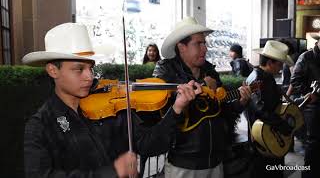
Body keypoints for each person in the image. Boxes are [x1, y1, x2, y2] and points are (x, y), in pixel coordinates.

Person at [23, 23, 202, 178]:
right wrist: (112, 172)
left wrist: (177, 108)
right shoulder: (40, 125)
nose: (89, 77)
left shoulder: (114, 106)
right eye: (79, 69)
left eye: (91, 68)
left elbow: (151, 144)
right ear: (53, 70)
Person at [153, 17, 251, 178]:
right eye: (198, 43)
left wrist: (240, 103)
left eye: (204, 43)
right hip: (183, 163)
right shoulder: (165, 69)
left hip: (215, 160)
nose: (205, 48)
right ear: (181, 46)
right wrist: (201, 84)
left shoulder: (210, 71)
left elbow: (222, 111)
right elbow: (164, 108)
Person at [244, 40, 294, 178]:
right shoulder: (258, 78)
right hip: (263, 140)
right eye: (279, 63)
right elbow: (260, 109)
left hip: (267, 137)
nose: (281, 67)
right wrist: (281, 124)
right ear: (270, 62)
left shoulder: (264, 76)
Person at [291, 32, 320, 178]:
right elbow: (295, 82)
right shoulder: (306, 57)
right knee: (313, 144)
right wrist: (310, 94)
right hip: (313, 107)